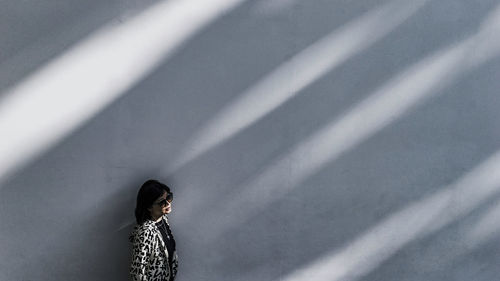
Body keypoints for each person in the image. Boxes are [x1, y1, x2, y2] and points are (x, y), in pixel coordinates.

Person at [130, 179, 179, 281]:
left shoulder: (163, 220)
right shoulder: (145, 232)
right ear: (149, 207)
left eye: (169, 197)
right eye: (162, 202)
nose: (168, 203)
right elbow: (137, 272)